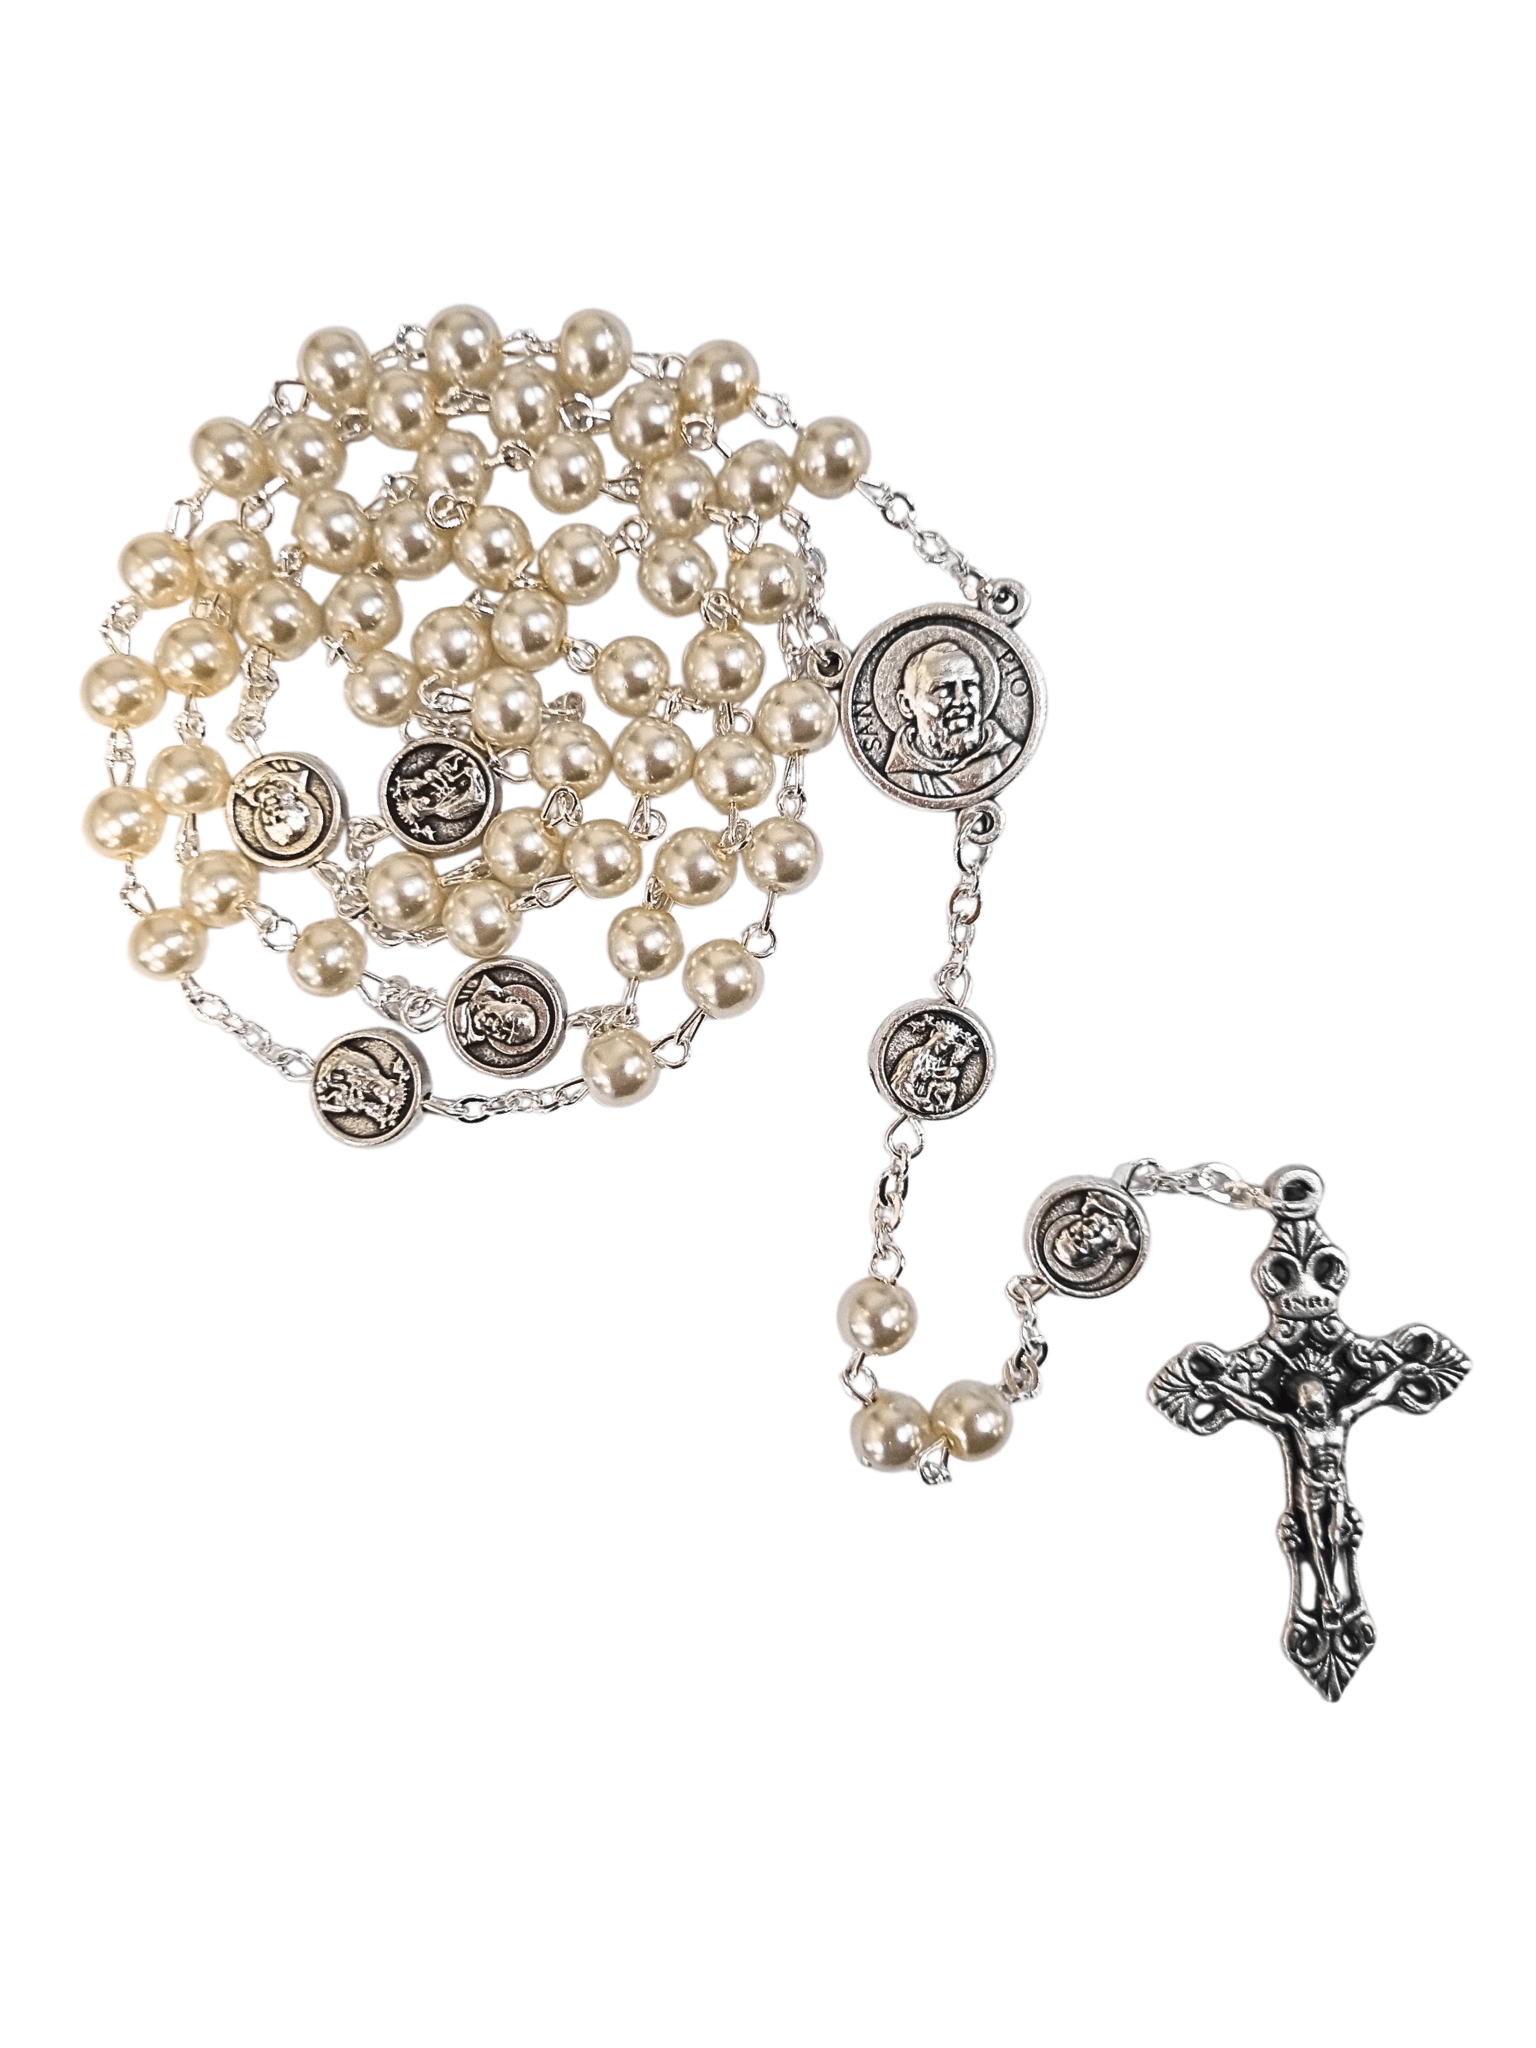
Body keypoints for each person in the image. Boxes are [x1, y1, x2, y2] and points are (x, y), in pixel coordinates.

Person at [882, 639, 1024, 799]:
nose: (961, 699)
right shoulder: (900, 780)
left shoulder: (1007, 758)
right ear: (907, 704)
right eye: (943, 689)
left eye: (970, 685)